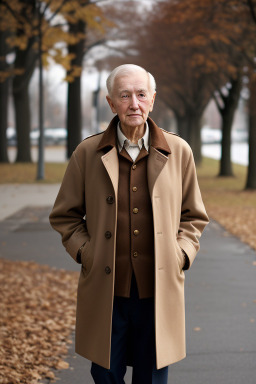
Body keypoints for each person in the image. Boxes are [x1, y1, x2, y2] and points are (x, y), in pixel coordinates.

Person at [49, 64, 209, 384]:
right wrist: (87, 253)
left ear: (152, 100)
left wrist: (181, 254)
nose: (133, 103)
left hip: (158, 289)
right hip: (107, 290)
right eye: (124, 95)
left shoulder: (179, 151)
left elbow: (194, 216)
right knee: (104, 371)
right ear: (111, 103)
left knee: (151, 374)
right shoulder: (86, 153)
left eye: (140, 94)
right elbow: (64, 216)